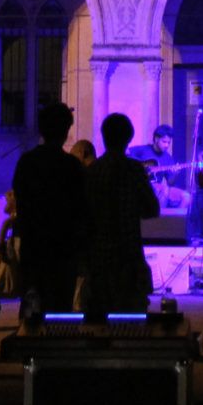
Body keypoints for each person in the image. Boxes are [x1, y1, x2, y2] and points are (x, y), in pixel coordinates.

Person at [9, 101, 88, 315]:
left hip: (34, 247)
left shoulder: (27, 162)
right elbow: (81, 209)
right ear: (65, 131)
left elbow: (20, 200)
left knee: (31, 312)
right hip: (63, 250)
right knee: (60, 314)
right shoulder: (72, 166)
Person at [81, 113, 159, 317]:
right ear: (128, 139)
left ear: (104, 137)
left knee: (98, 323)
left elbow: (84, 215)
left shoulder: (92, 171)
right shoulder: (134, 170)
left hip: (98, 259)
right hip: (129, 258)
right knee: (131, 324)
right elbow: (152, 208)